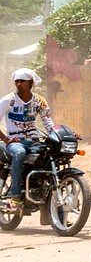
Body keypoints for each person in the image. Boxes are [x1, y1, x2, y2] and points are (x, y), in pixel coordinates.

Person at [0, 68, 57, 205]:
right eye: (17, 81)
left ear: (31, 82)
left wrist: (60, 135)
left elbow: (48, 124)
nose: (19, 84)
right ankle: (15, 196)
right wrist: (6, 139)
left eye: (22, 81)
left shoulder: (39, 101)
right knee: (19, 152)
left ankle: (53, 206)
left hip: (34, 141)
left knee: (52, 155)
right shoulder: (8, 100)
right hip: (15, 142)